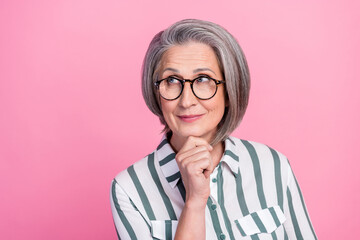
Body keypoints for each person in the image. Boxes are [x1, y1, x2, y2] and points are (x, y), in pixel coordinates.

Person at [110, 19, 317, 240]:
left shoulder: (272, 165)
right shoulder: (129, 188)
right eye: (171, 80)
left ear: (229, 91)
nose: (186, 100)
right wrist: (194, 203)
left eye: (202, 79)